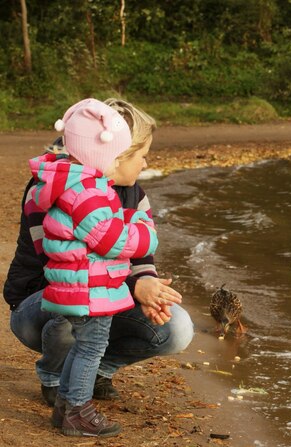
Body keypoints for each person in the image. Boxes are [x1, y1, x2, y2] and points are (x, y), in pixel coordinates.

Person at [3, 99, 194, 433]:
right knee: (77, 327)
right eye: (141, 154)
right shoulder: (61, 190)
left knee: (175, 327)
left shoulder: (127, 191)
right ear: (117, 155)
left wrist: (146, 279)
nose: (146, 163)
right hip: (51, 296)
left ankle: (90, 377)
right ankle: (65, 392)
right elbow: (72, 257)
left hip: (99, 285)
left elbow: (137, 257)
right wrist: (137, 268)